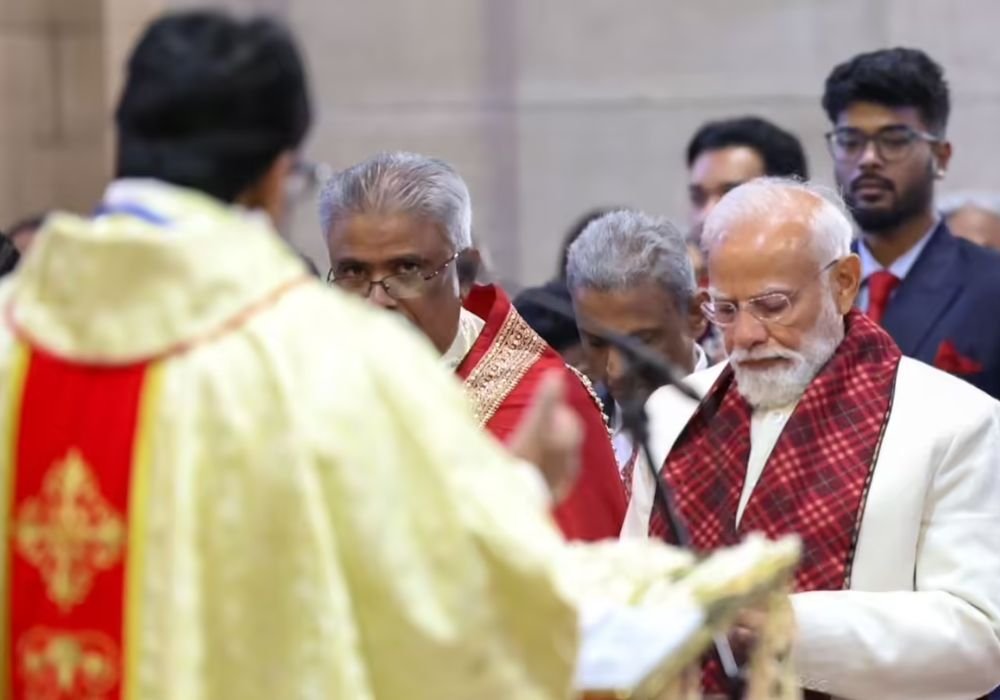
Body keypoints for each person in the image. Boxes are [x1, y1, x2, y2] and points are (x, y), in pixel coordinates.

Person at [0, 11, 747, 698]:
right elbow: (437, 616)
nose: (381, 294)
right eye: (355, 270)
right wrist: (520, 490)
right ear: (275, 176)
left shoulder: (14, 334)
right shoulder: (324, 359)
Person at [624, 177, 1000, 698]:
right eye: (725, 310)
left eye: (773, 305)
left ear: (844, 282)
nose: (746, 336)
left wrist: (790, 627)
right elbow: (631, 592)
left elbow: (981, 639)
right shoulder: (672, 412)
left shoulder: (955, 422)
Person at [319, 151, 626, 541]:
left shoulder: (543, 404)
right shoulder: (307, 395)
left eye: (407, 270)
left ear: (465, 273)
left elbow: (574, 581)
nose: (377, 300)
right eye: (353, 273)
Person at [823, 46, 1000, 399]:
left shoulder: (990, 285)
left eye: (894, 140)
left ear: (940, 156)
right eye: (850, 141)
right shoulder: (813, 285)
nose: (869, 159)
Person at [564, 209, 708, 490]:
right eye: (596, 343)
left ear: (695, 314)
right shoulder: (567, 436)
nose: (616, 371)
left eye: (639, 343)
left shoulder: (742, 423)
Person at [685, 116, 808, 366]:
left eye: (731, 194)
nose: (706, 214)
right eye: (698, 197)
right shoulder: (688, 297)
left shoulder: (815, 295)